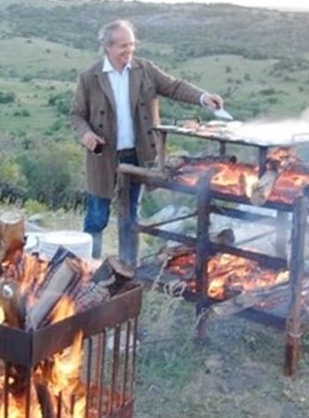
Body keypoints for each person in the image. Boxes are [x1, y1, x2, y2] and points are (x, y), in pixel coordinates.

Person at [69, 19, 224, 262]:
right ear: (108, 47)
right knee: (97, 217)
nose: (129, 50)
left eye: (132, 44)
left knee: (131, 216)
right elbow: (77, 115)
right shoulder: (90, 77)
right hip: (103, 156)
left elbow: (175, 87)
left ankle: (128, 268)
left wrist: (203, 98)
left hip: (138, 155)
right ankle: (87, 268)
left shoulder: (145, 69)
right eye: (123, 46)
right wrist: (86, 134)